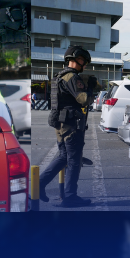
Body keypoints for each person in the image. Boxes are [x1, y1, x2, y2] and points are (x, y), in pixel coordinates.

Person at [37, 46, 95, 207]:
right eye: (84, 62)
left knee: (63, 157)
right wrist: (91, 87)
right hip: (71, 126)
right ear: (78, 59)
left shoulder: (59, 76)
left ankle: (39, 184)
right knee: (74, 161)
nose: (85, 66)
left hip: (61, 125)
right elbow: (84, 99)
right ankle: (70, 197)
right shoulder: (72, 77)